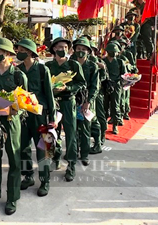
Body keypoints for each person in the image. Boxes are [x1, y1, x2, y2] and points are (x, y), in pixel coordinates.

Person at [0, 37, 27, 215]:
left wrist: (15, 111)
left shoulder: (18, 75)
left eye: (0, 51)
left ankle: (12, 197)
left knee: (14, 159)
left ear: (8, 54)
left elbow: (26, 103)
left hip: (11, 122)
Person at [16, 38, 55, 197]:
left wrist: (52, 117)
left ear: (30, 52)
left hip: (40, 115)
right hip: (23, 115)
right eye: (18, 49)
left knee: (43, 148)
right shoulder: (17, 70)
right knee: (23, 147)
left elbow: (49, 94)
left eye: (21, 49)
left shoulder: (41, 70)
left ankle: (45, 180)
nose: (18, 52)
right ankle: (28, 175)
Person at [45, 37, 86, 182]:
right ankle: (55, 159)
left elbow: (81, 83)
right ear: (53, 50)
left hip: (68, 102)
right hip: (54, 104)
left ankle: (71, 165)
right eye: (58, 47)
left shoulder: (73, 65)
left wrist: (67, 88)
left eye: (64, 47)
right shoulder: (48, 66)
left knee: (70, 134)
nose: (61, 50)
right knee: (52, 133)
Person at [72, 38, 100, 167]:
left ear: (88, 51)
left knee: (85, 129)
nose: (81, 51)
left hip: (86, 102)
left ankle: (84, 154)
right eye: (78, 49)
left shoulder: (92, 66)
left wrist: (88, 102)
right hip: (72, 100)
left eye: (83, 49)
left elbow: (95, 86)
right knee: (72, 128)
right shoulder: (70, 64)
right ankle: (73, 151)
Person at [102, 42, 127, 135]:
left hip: (116, 86)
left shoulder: (120, 62)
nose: (113, 53)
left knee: (115, 106)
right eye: (111, 51)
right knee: (105, 105)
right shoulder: (103, 61)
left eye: (114, 51)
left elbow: (124, 74)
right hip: (105, 85)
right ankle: (104, 123)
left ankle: (115, 125)